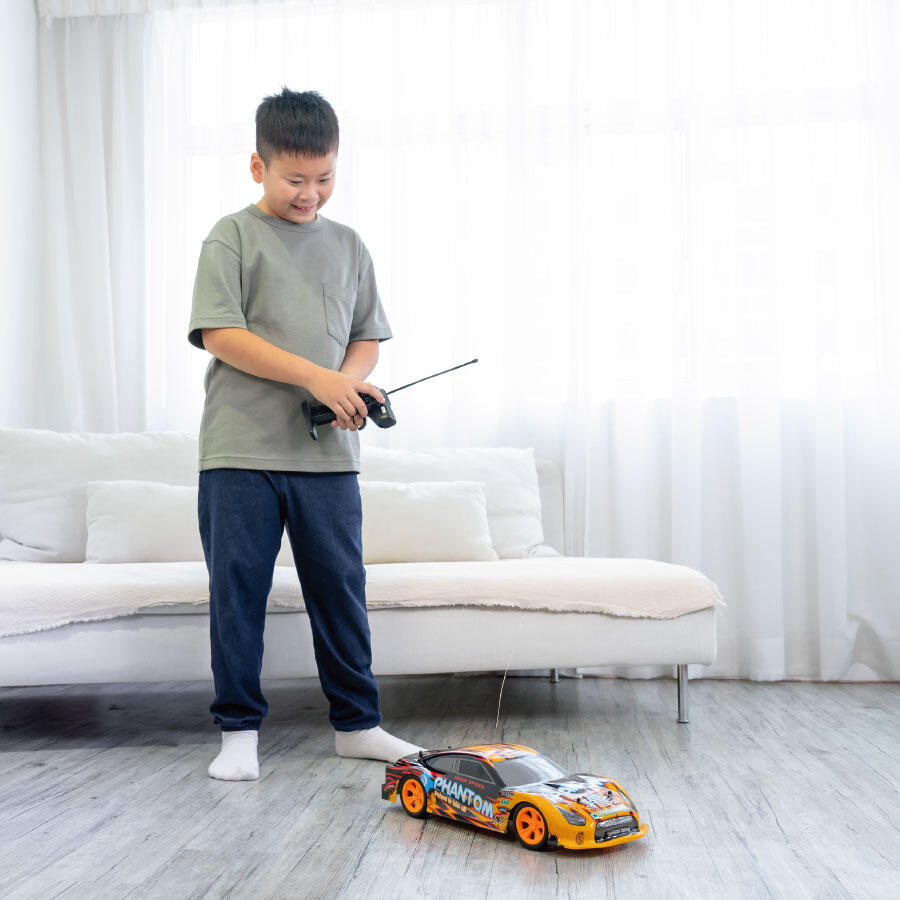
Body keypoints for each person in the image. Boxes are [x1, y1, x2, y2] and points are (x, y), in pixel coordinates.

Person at [187, 87, 422, 781]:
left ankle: (358, 725)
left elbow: (365, 338)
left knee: (341, 589)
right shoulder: (231, 236)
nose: (310, 193)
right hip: (240, 452)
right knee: (238, 592)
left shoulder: (349, 246)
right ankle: (237, 733)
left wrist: (347, 384)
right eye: (295, 179)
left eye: (325, 177)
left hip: (329, 457)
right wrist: (318, 378)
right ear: (257, 167)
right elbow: (220, 334)